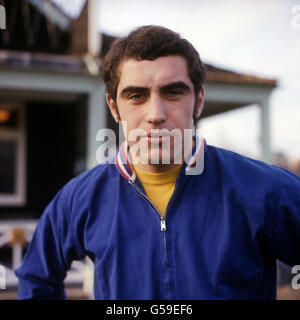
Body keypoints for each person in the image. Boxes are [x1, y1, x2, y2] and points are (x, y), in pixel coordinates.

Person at [15, 25, 300, 300]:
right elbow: (36, 279)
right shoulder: (79, 199)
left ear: (199, 100)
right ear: (114, 107)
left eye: (173, 92)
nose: (155, 114)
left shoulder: (266, 190)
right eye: (136, 95)